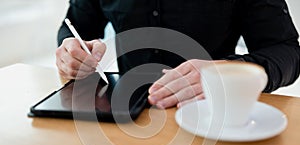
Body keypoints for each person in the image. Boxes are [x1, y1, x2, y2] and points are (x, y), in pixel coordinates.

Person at [56, 0, 300, 109]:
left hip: (212, 119)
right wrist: (72, 51)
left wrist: (226, 73)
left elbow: (287, 51)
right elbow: (74, 26)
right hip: (122, 120)